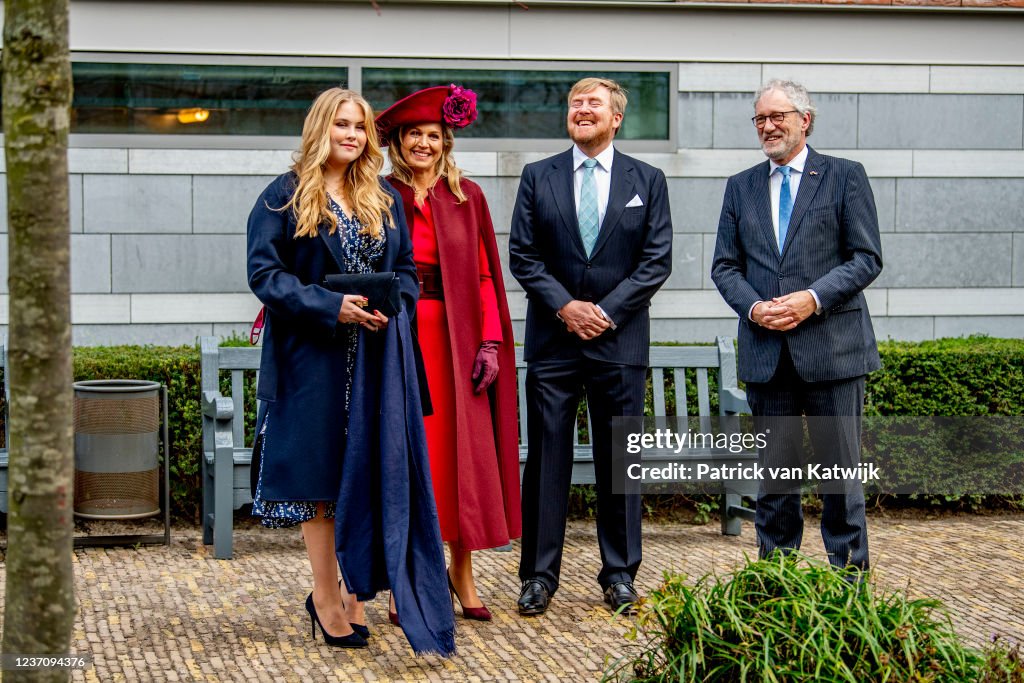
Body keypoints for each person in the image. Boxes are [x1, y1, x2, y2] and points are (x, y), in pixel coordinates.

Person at [246, 87, 454, 656]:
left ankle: (356, 587)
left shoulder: (382, 194)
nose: (352, 135)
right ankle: (324, 596)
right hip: (313, 358)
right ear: (321, 127)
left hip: (376, 360)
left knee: (366, 473)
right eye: (342, 124)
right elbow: (265, 276)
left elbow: (407, 269)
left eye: (360, 127)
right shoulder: (282, 196)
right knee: (321, 483)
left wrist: (396, 302)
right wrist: (329, 305)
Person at [508, 77, 673, 616]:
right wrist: (566, 307)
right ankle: (538, 576)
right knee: (547, 460)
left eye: (593, 103)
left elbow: (656, 261)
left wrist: (605, 312)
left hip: (619, 343)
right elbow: (524, 256)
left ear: (616, 117)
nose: (582, 109)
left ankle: (620, 573)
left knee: (620, 460)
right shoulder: (538, 176)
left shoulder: (647, 180)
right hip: (555, 341)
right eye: (575, 102)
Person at [710, 79, 883, 572]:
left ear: (805, 120)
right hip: (767, 352)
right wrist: (753, 308)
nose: (768, 126)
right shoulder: (740, 186)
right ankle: (776, 588)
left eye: (778, 116)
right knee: (775, 482)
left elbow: (866, 257)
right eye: (760, 119)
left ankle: (848, 593)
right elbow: (725, 266)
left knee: (841, 479)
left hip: (834, 351)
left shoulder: (845, 176)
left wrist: (812, 298)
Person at [375, 84, 520, 622]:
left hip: (457, 344)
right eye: (415, 134)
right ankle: (405, 578)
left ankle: (463, 572)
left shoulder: (468, 196)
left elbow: (485, 272)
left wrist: (489, 340)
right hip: (401, 339)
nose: (425, 144)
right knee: (410, 457)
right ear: (400, 142)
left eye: (434, 136)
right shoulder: (380, 194)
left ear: (446, 142)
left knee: (462, 457)